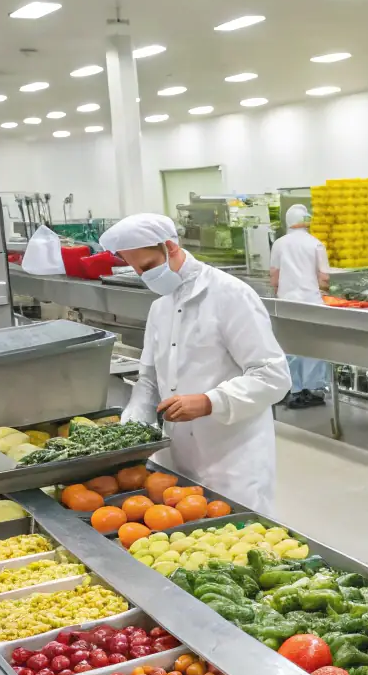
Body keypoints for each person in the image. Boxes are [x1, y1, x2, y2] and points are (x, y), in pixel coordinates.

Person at [99, 213, 291, 513]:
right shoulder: (160, 307)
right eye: (137, 271)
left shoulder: (230, 296)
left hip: (232, 457)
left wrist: (208, 401)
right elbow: (148, 381)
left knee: (236, 539)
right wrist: (129, 432)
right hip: (176, 455)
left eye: (148, 267)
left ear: (170, 247)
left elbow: (273, 376)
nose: (144, 277)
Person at [271, 204, 332, 408]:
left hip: (287, 303)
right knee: (313, 346)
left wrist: (280, 289)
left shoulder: (279, 244)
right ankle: (313, 389)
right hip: (311, 303)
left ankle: (291, 389)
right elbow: (324, 278)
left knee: (289, 346)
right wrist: (323, 289)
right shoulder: (316, 244)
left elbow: (274, 277)